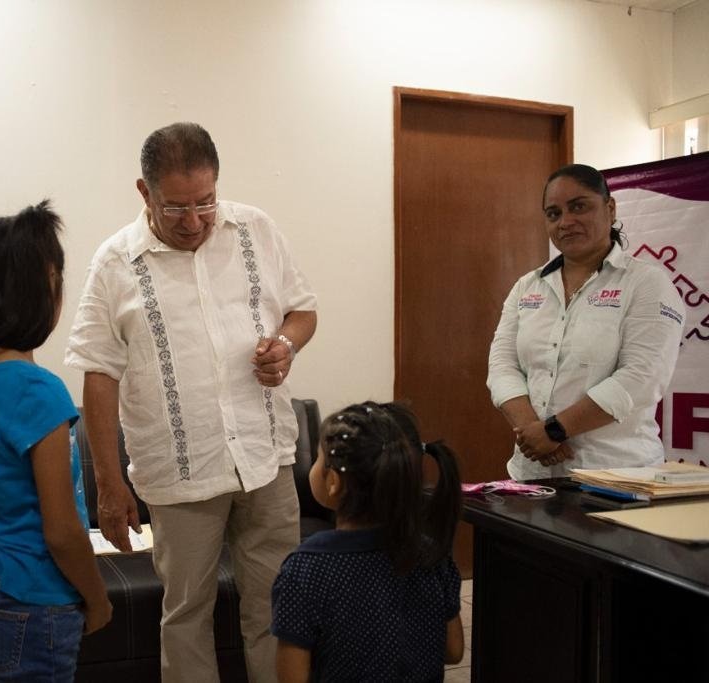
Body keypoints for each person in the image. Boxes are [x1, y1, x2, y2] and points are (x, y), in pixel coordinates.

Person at [65, 122, 317, 683]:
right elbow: (99, 373)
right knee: (185, 615)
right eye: (176, 207)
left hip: (265, 457)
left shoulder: (256, 229)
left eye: (206, 201)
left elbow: (302, 310)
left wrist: (286, 344)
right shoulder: (115, 262)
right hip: (180, 472)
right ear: (144, 191)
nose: (195, 221)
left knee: (276, 607)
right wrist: (109, 484)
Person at [0, 200, 111, 682]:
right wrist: (97, 598)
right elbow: (61, 531)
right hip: (36, 596)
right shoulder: (38, 390)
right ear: (42, 287)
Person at [487, 164, 685, 481]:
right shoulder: (528, 286)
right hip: (533, 472)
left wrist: (554, 430)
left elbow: (641, 376)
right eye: (553, 214)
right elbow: (502, 365)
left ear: (610, 208)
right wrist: (533, 432)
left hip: (618, 476)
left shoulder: (647, 283)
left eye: (579, 207)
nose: (566, 222)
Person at [271, 401, 465, 682]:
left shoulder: (305, 569)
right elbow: (454, 650)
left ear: (333, 481)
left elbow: (292, 678)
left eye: (318, 459)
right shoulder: (431, 553)